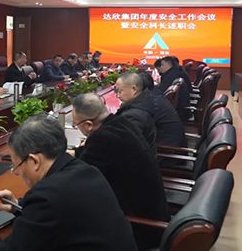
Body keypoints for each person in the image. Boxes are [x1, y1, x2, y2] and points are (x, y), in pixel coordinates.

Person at [0, 115, 137, 251]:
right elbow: (62, 211)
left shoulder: (45, 197)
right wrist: (18, 205)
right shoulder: (85, 170)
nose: (18, 173)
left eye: (17, 167)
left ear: (34, 161)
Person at [71, 94, 169, 249]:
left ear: (88, 125)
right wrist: (70, 153)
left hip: (140, 229)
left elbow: (77, 179)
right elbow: (95, 154)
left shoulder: (102, 138)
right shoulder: (120, 123)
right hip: (152, 214)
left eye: (76, 125)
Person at [139, 71, 187, 167]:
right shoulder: (156, 94)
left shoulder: (150, 103)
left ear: (135, 88)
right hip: (172, 148)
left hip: (168, 156)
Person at [114, 72, 157, 155]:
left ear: (133, 89)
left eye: (120, 91)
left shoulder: (134, 116)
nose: (118, 96)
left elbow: (125, 147)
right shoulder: (145, 100)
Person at [156, 56, 192, 122]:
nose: (161, 67)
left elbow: (160, 92)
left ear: (169, 65)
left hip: (179, 112)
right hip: (181, 109)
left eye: (162, 65)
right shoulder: (177, 70)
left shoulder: (171, 75)